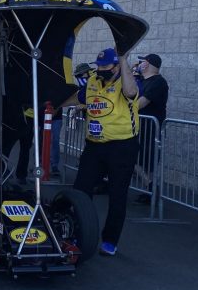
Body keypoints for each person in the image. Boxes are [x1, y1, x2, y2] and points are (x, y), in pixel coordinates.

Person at [60, 47, 140, 256]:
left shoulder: (126, 80)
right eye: (100, 66)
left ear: (116, 66)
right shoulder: (94, 80)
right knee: (80, 190)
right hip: (94, 146)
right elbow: (78, 97)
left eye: (106, 67)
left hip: (122, 146)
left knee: (117, 195)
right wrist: (50, 105)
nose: (101, 70)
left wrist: (123, 62)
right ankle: (77, 233)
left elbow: (131, 93)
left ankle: (110, 241)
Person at [133, 53, 168, 203]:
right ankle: (150, 187)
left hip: (150, 128)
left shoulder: (158, 82)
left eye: (141, 62)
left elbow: (140, 103)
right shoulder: (140, 80)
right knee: (135, 159)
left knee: (148, 162)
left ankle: (151, 190)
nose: (139, 64)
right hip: (139, 126)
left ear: (146, 64)